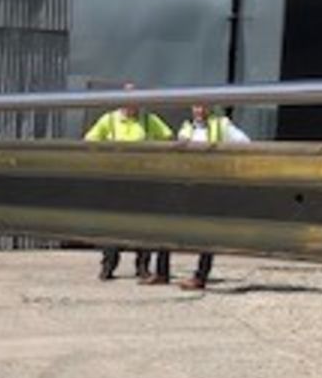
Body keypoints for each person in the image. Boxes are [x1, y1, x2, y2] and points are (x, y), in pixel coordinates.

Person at [85, 86, 174, 281]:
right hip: (116, 181)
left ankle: (142, 267)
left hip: (142, 181)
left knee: (143, 225)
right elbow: (90, 141)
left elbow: (168, 137)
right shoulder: (109, 120)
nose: (132, 104)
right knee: (113, 225)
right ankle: (108, 265)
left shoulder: (148, 120)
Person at [175, 103, 251, 290]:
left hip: (210, 185)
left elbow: (246, 143)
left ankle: (200, 275)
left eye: (203, 106)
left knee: (206, 231)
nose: (199, 110)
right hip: (189, 184)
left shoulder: (221, 124)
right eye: (196, 106)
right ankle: (161, 273)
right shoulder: (186, 127)